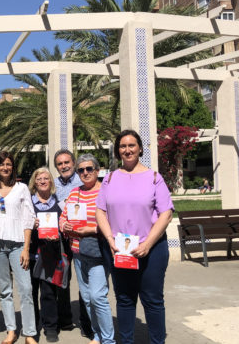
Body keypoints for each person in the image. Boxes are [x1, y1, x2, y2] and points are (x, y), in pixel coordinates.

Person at [95, 130, 174, 344]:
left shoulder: (154, 178)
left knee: (153, 300)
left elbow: (166, 213)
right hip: (121, 250)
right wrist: (110, 241)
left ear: (140, 148)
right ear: (117, 151)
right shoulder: (110, 178)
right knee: (125, 299)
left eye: (131, 145)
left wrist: (148, 244)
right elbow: (100, 211)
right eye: (123, 146)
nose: (127, 150)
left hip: (152, 249)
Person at [0, 151, 37, 344]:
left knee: (26, 288)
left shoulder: (21, 188)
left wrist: (26, 248)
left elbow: (29, 218)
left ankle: (29, 332)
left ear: (13, 167)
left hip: (18, 245)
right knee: (5, 290)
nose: (6, 167)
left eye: (9, 164)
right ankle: (11, 330)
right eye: (2, 164)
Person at [59, 154, 115, 344]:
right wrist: (64, 225)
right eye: (81, 170)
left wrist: (92, 229)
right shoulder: (75, 193)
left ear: (97, 171)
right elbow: (63, 216)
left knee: (97, 296)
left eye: (89, 169)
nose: (85, 173)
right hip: (78, 252)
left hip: (98, 251)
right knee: (87, 298)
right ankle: (97, 334)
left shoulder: (106, 192)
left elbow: (115, 222)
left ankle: (108, 340)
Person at [53, 149, 93, 338]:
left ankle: (87, 323)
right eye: (60, 164)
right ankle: (65, 319)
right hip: (62, 238)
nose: (64, 166)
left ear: (73, 163)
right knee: (63, 278)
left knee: (86, 280)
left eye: (67, 162)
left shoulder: (83, 181)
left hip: (82, 237)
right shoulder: (53, 185)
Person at [28, 167, 63, 343]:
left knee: (49, 292)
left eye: (46, 178)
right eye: (39, 178)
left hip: (50, 254)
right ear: (34, 182)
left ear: (51, 182)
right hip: (32, 254)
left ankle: (50, 326)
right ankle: (32, 327)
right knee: (31, 292)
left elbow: (64, 228)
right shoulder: (27, 203)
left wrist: (59, 230)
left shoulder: (58, 204)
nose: (42, 181)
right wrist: (29, 224)